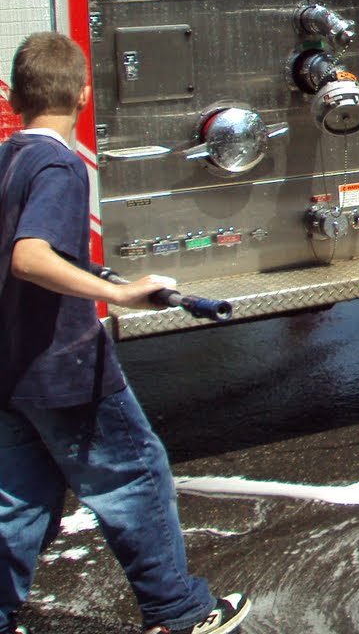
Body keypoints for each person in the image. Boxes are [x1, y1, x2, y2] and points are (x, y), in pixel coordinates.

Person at [1, 32, 251, 634]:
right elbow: (29, 257)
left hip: (13, 369)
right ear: (84, 95)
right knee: (135, 476)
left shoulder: (8, 157)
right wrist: (118, 292)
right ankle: (179, 612)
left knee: (19, 503)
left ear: (15, 96)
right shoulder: (60, 163)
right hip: (64, 368)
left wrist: (88, 269)